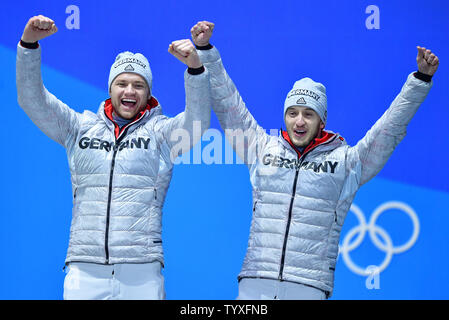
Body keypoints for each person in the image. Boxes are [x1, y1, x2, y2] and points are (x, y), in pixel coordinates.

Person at [190, 21, 439, 299]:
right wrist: (206, 50)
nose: (299, 121)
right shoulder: (262, 149)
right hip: (254, 283)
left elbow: (389, 129)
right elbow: (228, 104)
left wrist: (420, 80)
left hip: (308, 287)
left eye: (308, 114)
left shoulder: (347, 162)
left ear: (322, 120)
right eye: (292, 112)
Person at [16, 15, 211, 300]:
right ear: (110, 89)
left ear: (148, 93)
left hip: (141, 272)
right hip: (84, 270)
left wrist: (195, 69)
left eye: (138, 85)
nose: (129, 91)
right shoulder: (79, 127)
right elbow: (32, 99)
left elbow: (198, 121)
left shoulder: (162, 133)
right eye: (122, 83)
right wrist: (28, 45)